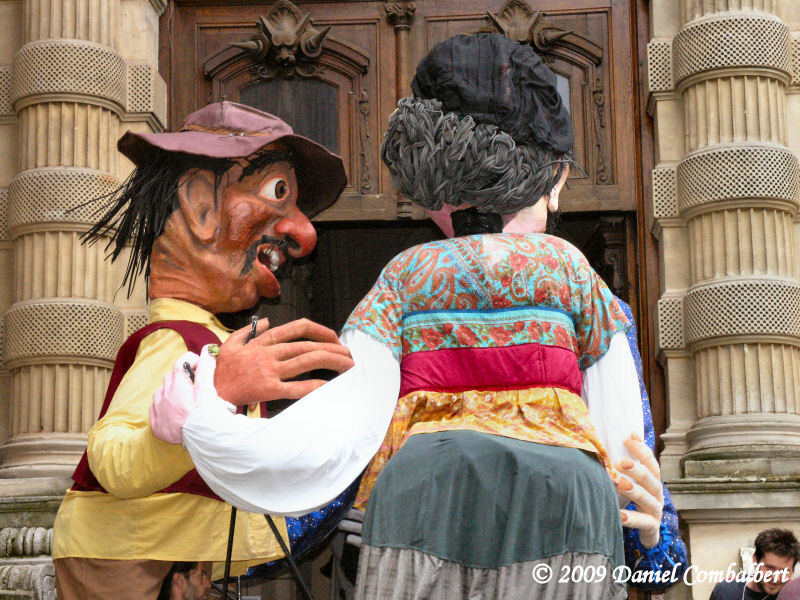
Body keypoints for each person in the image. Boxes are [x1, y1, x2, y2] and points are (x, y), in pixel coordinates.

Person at [150, 33, 686, 598]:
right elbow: (654, 556)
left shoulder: (408, 279)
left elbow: (336, 448)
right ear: (556, 179)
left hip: (426, 523)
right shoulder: (579, 285)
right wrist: (650, 542)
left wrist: (212, 425)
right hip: (541, 524)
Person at [52, 101, 355, 599]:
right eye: (277, 192)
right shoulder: (177, 342)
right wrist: (212, 398)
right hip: (126, 558)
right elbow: (111, 457)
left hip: (166, 552)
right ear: (200, 206)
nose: (304, 233)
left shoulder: (210, 342)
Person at [709, 529, 800, 600]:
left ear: (793, 570)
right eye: (770, 568)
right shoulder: (726, 591)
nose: (776, 577)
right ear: (755, 560)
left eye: (784, 571)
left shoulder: (794, 595)